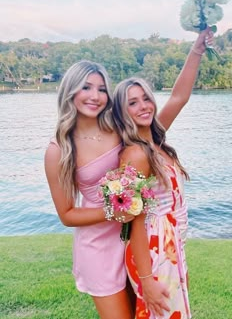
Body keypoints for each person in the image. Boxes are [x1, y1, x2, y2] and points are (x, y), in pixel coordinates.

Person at [112, 27, 214, 319]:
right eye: (132, 102)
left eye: (145, 98)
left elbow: (180, 97)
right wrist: (147, 281)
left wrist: (197, 50)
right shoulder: (135, 154)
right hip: (153, 253)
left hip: (170, 244)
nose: (143, 106)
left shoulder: (153, 138)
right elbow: (132, 223)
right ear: (121, 112)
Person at [44, 60, 135, 319]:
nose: (95, 96)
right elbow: (67, 214)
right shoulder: (59, 149)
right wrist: (116, 211)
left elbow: (174, 103)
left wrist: (197, 49)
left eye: (102, 89)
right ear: (70, 91)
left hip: (134, 239)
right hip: (98, 249)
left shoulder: (120, 129)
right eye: (86, 87)